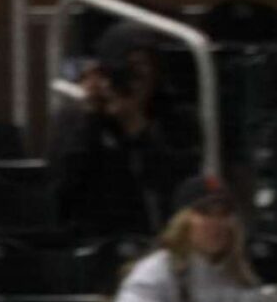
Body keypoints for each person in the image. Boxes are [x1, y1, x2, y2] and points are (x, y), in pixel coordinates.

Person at [48, 22, 197, 237]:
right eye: (129, 68)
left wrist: (137, 128)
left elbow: (177, 186)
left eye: (146, 66)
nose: (138, 79)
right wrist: (90, 118)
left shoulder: (175, 117)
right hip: (92, 239)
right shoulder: (76, 118)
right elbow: (61, 188)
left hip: (158, 237)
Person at [110, 174, 262, 302]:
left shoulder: (240, 276)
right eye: (205, 213)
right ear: (182, 222)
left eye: (224, 214)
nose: (216, 223)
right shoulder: (156, 269)